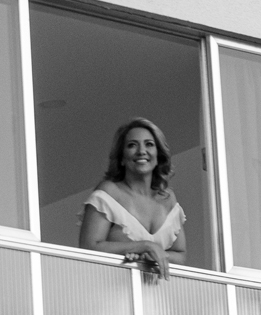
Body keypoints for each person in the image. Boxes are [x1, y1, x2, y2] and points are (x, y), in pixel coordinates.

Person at [79, 118, 186, 279]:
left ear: (158, 155)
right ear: (121, 158)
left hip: (160, 297)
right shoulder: (109, 192)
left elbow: (181, 255)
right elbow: (88, 247)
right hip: (113, 292)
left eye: (149, 144)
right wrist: (144, 246)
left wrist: (150, 254)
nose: (141, 151)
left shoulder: (168, 198)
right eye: (132, 145)